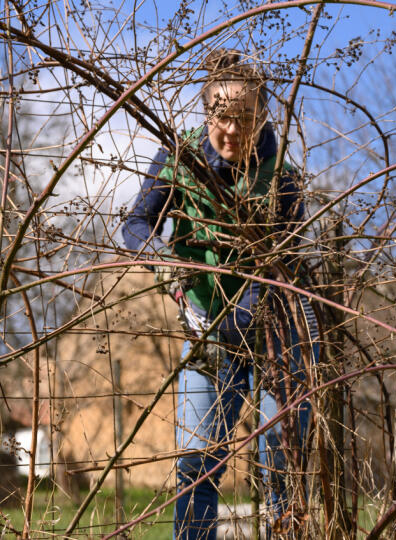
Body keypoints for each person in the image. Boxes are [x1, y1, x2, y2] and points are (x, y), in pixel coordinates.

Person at [121, 50, 320, 539]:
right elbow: (136, 223)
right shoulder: (180, 158)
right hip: (209, 326)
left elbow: (282, 263)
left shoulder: (283, 177)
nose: (232, 129)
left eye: (246, 118)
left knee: (282, 460)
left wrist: (239, 316)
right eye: (222, 116)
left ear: (264, 117)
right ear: (207, 113)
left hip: (280, 329)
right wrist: (165, 264)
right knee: (196, 463)